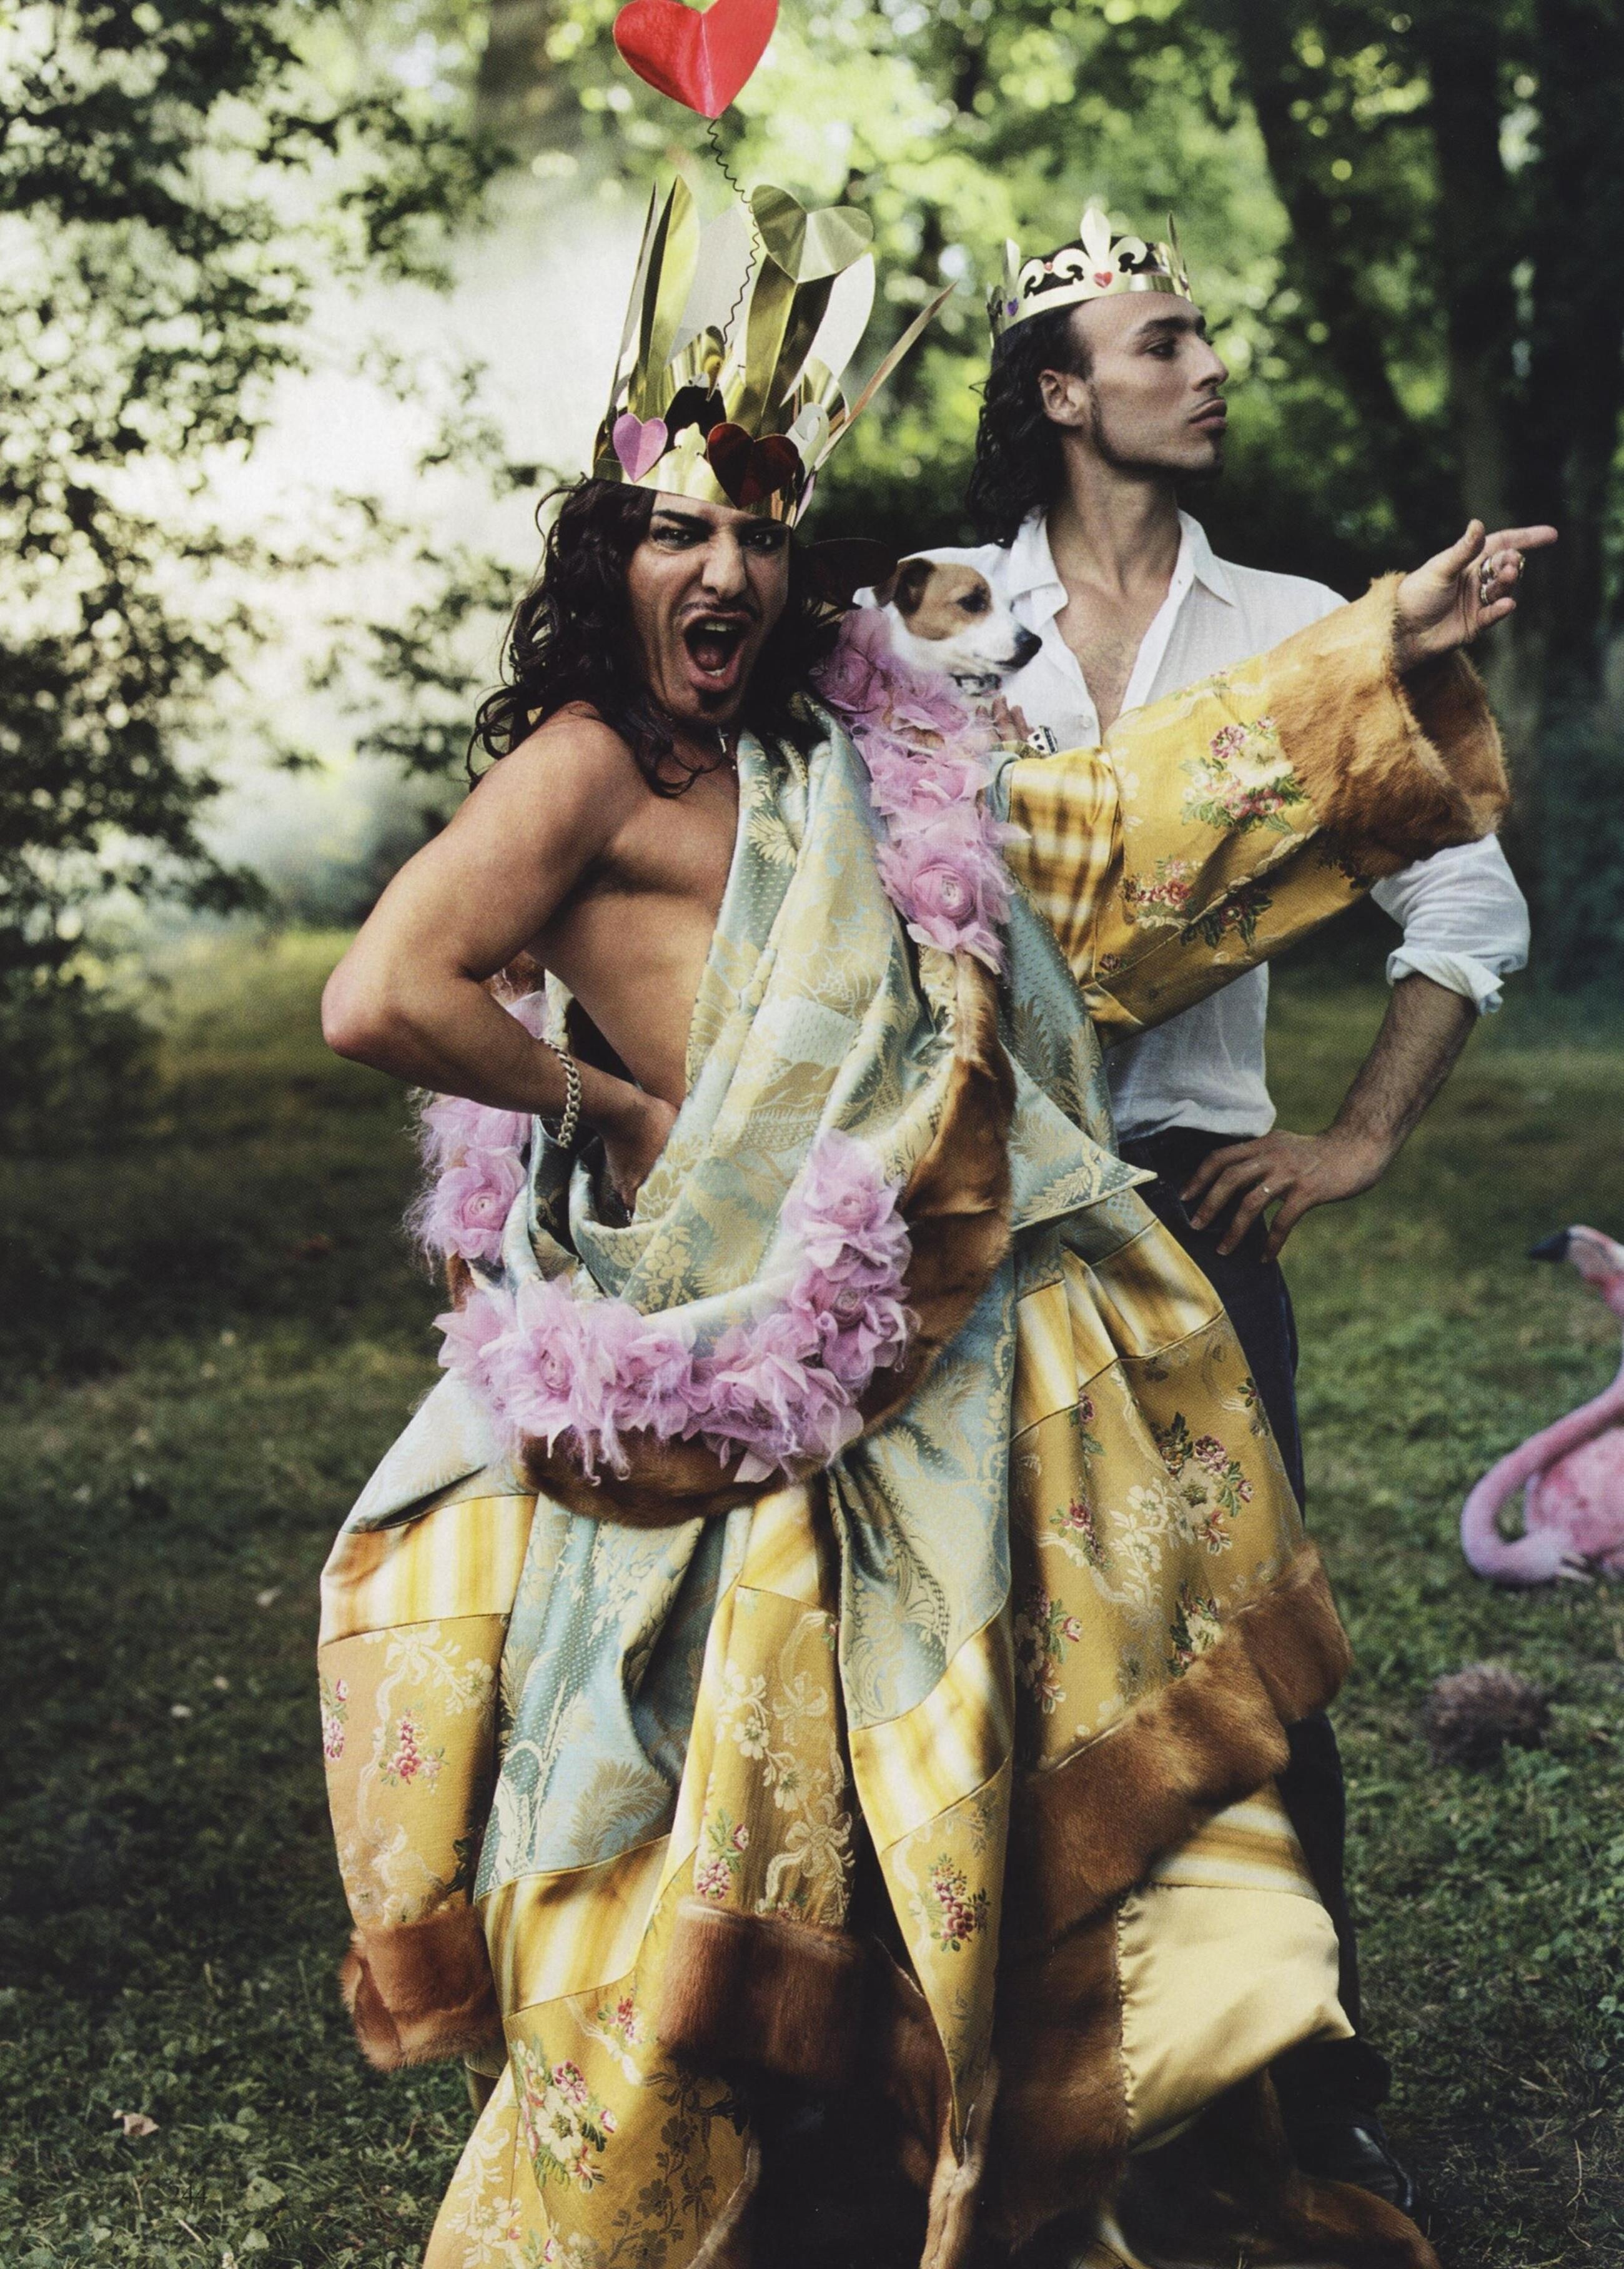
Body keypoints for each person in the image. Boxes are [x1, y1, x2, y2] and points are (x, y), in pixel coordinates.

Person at [315, 179, 1548, 2269]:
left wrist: (1375, 656)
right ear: (610, 558)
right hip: (726, 1369)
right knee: (731, 1807)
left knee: (989, 1762)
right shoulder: (589, 767)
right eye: (680, 535)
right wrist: (611, 1101)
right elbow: (381, 994)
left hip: (959, 1327)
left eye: (759, 538)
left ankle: (1003, 2157)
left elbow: (1095, 839)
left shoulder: (843, 746)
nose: (728, 570)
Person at [921, 202, 1537, 2213]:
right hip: (971, 1219)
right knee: (985, 1657)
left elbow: (1468, 892)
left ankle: (1308, 2078)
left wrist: (1352, 1140)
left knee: (1245, 1646)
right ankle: (1016, 2081)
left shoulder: (1302, 631)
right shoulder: (929, 620)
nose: (1209, 368)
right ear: (1059, 392)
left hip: (1191, 1212)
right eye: (1164, 341)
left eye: (1204, 338)